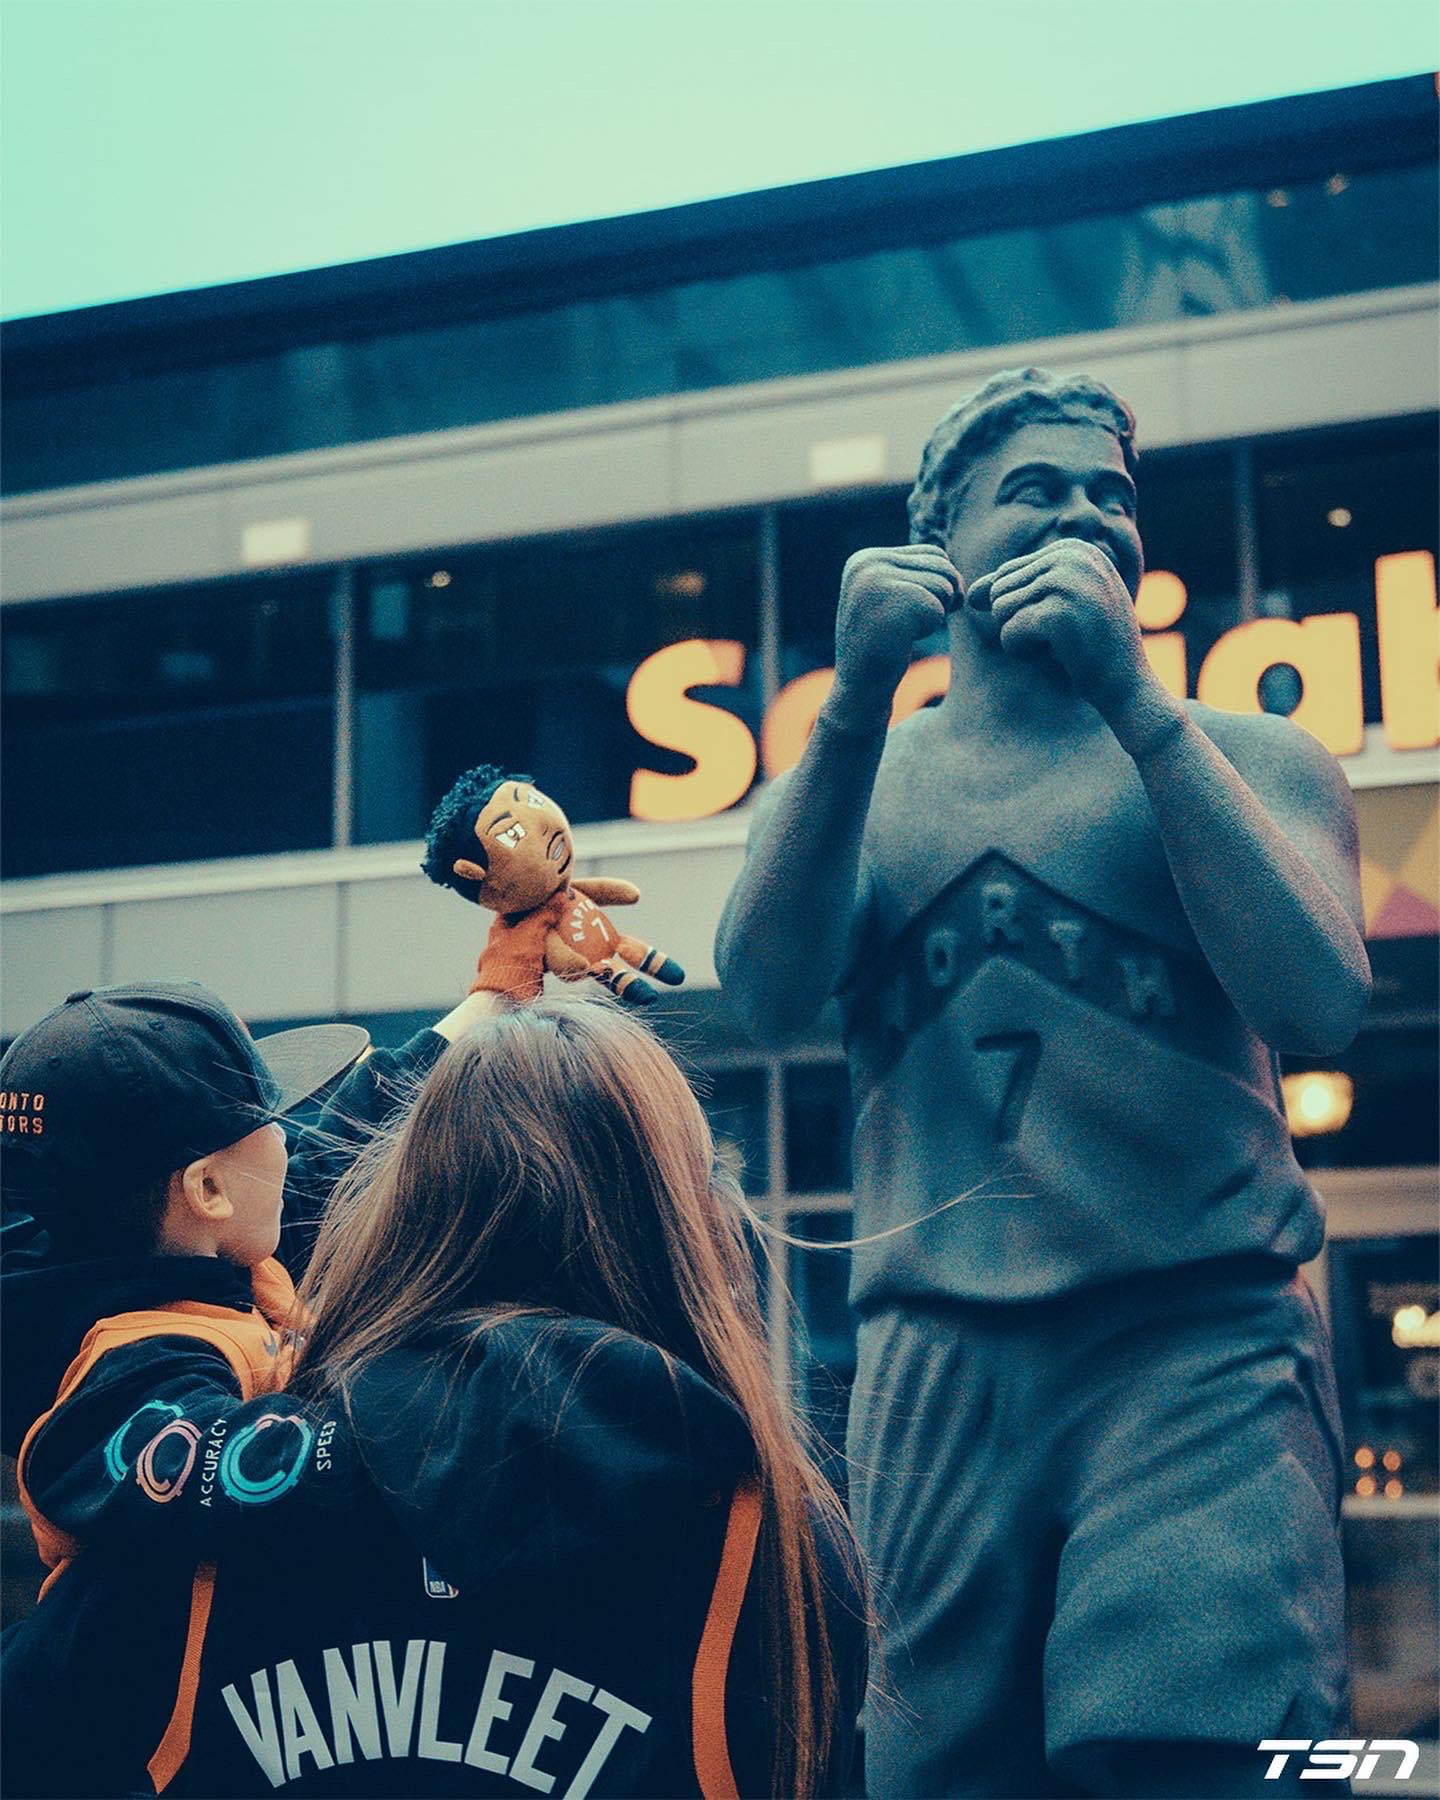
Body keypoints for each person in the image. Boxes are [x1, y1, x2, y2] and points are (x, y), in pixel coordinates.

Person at [715, 368, 1370, 1797]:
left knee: (1208, 1748)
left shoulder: (1254, 759)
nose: (1086, 517)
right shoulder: (857, 784)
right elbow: (760, 997)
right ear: (937, 537)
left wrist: (1139, 704)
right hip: (937, 1355)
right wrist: (848, 708)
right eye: (1037, 490)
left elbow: (1320, 1004)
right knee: (936, 1766)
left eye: (1110, 496)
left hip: (1196, 1336)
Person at [4, 994, 867, 1799]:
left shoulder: (176, 1541)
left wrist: (484, 1001)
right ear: (675, 1219)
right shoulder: (768, 1543)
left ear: (409, 1202)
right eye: (270, 1128)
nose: (291, 1148)